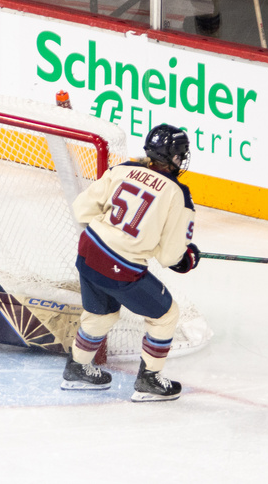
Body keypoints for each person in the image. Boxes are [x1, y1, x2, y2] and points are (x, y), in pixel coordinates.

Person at [61, 123, 199, 401]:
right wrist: (187, 257)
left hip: (88, 251)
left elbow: (81, 208)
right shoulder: (178, 194)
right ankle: (149, 380)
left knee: (102, 313)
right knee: (166, 314)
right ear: (175, 158)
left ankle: (77, 368)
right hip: (120, 267)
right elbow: (170, 256)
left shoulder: (122, 169)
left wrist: (115, 233)